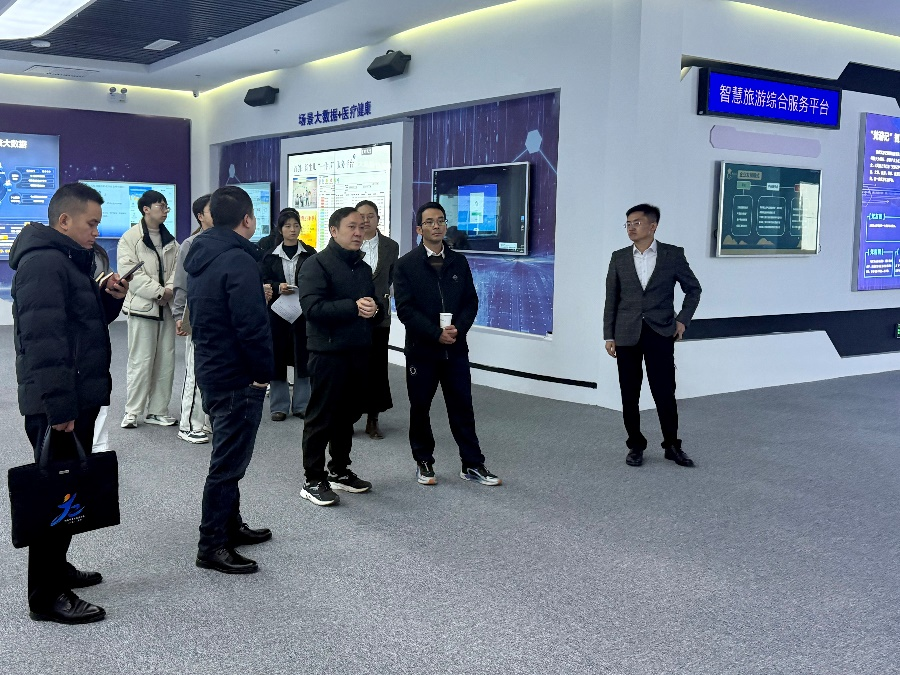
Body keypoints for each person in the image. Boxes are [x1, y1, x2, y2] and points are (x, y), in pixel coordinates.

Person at [9, 185, 128, 624]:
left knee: (67, 491)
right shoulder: (43, 263)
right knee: (53, 494)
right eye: (91, 223)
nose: (96, 232)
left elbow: (82, 325)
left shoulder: (66, 260)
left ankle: (57, 568)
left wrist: (108, 299)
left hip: (76, 395)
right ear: (64, 221)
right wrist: (60, 408)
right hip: (59, 402)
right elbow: (44, 342)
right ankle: (46, 597)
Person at [184, 186, 274, 574]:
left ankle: (230, 526)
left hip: (212, 366)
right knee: (227, 464)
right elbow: (251, 326)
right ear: (247, 219)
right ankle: (212, 544)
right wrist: (262, 374)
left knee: (229, 453)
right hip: (236, 374)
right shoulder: (238, 259)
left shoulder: (203, 254)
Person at [393, 202, 501, 487]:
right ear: (419, 229)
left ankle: (472, 463)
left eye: (441, 220)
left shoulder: (458, 262)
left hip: (455, 348)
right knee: (420, 408)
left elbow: (470, 302)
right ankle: (424, 461)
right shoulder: (406, 265)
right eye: (430, 222)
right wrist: (434, 333)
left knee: (462, 406)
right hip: (422, 350)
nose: (437, 226)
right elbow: (405, 309)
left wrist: (458, 329)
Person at [603, 203, 702, 468]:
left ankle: (672, 445)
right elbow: (611, 299)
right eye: (628, 224)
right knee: (629, 393)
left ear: (653, 226)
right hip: (626, 333)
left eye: (636, 223)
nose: (631, 228)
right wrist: (608, 335)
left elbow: (693, 289)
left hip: (660, 331)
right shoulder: (619, 257)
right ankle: (635, 445)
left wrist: (682, 320)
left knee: (664, 391)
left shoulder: (672, 254)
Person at [297, 206, 382, 506]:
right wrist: (353, 307)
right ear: (333, 231)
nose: (359, 232)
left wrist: (374, 309)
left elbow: (371, 303)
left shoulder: (362, 267)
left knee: (347, 415)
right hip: (327, 352)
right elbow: (312, 309)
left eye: (362, 227)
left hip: (358, 350)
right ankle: (313, 479)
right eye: (351, 227)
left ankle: (339, 470)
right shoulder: (315, 265)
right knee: (321, 416)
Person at [118, 190, 179, 429]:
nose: (165, 210)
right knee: (141, 361)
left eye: (166, 206)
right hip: (143, 308)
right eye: (160, 206)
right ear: (146, 209)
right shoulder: (130, 238)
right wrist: (160, 292)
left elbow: (178, 269)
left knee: (165, 361)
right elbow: (131, 273)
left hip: (167, 309)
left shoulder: (171, 240)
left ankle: (157, 411)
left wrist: (170, 290)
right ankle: (132, 411)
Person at [259, 208, 316, 421]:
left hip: (302, 314)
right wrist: (277, 286)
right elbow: (262, 280)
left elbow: (317, 279)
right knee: (278, 358)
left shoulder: (310, 253)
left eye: (296, 225)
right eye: (288, 226)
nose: (292, 230)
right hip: (278, 313)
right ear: (280, 229)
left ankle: (302, 405)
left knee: (303, 358)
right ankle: (279, 406)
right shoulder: (270, 256)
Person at [172, 194, 214, 444]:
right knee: (196, 370)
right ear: (200, 216)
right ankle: (188, 425)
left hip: (216, 315)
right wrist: (179, 315)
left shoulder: (223, 241)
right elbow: (181, 282)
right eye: (211, 210)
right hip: (195, 313)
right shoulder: (190, 244)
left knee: (211, 370)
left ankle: (206, 420)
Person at [356, 200, 399, 439]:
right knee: (353, 366)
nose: (365, 220)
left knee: (377, 367)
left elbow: (389, 278)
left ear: (378, 219)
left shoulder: (391, 246)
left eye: (370, 215)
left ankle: (373, 419)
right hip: (353, 313)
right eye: (361, 216)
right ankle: (349, 415)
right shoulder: (349, 243)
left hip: (380, 315)